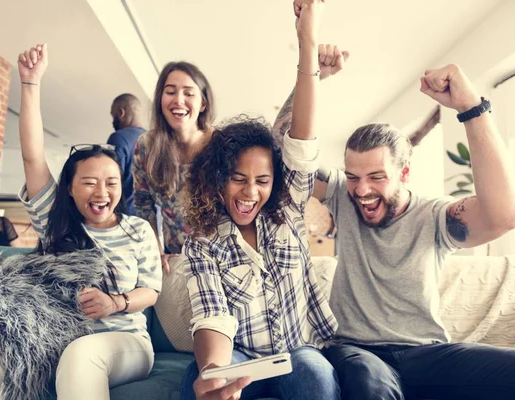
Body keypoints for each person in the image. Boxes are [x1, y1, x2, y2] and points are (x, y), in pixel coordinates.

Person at [273, 63, 515, 399]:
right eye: (354, 177)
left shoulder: (435, 216)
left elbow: (505, 216)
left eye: (376, 176)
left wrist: (470, 106)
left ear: (404, 173)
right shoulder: (342, 195)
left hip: (427, 354)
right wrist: (308, 75)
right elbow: (282, 158)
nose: (361, 190)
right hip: (356, 350)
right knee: (368, 382)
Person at [0, 43, 162, 400]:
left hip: (125, 342)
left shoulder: (137, 230)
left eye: (111, 183)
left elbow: (151, 292)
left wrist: (115, 302)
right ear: (71, 190)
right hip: (53, 336)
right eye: (89, 182)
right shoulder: (56, 221)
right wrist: (30, 84)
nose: (101, 192)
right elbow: (33, 157)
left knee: (82, 355)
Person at [180, 1, 342, 399]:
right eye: (238, 179)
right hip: (238, 357)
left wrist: (308, 42)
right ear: (218, 180)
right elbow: (212, 314)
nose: (250, 192)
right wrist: (216, 371)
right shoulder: (202, 240)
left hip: (298, 352)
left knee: (315, 375)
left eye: (262, 180)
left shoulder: (286, 209)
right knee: (198, 385)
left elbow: (302, 141)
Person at [132, 58, 215, 274]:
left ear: (203, 103)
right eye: (170, 91)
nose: (179, 100)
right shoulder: (146, 146)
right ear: (160, 99)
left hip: (220, 262)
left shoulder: (220, 144)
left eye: (189, 93)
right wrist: (156, 252)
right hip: (175, 264)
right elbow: (144, 208)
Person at [107, 93, 146, 216]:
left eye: (113, 116)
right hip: (151, 221)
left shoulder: (119, 138)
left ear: (121, 113)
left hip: (126, 219)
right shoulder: (156, 140)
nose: (113, 121)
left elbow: (109, 182)